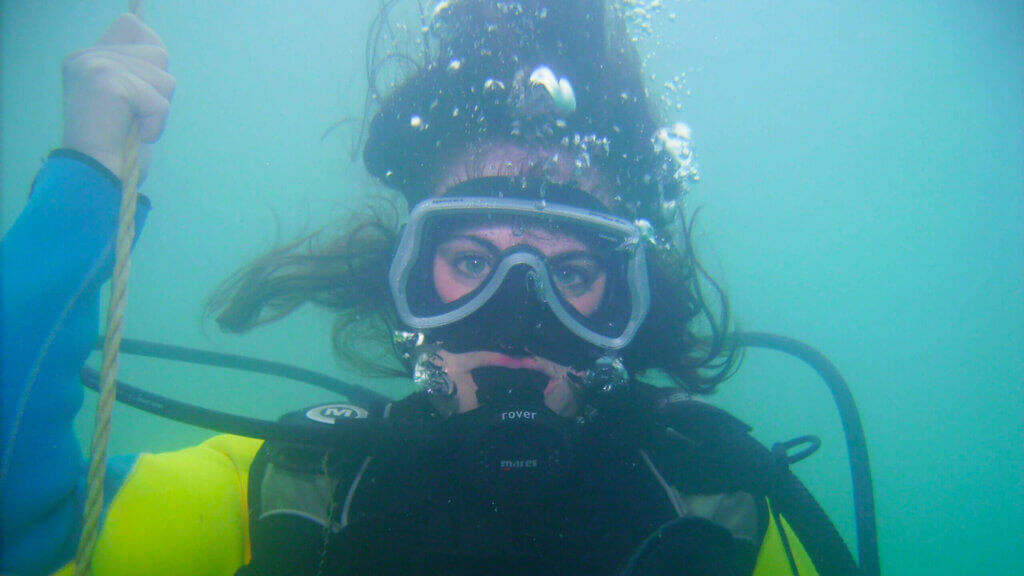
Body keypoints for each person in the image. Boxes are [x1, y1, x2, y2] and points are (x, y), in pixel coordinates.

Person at [1, 2, 862, 575]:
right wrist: (83, 184)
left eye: (571, 274)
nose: (517, 323)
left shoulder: (726, 520)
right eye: (473, 265)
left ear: (627, 308)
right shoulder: (292, 492)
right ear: (409, 281)